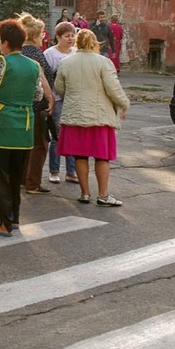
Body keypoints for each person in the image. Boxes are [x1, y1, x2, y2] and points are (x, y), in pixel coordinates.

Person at [0, 19, 43, 238]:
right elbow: (38, 95)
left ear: (4, 42)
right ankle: (14, 219)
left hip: (3, 124)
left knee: (0, 175)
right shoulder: (33, 65)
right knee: (15, 176)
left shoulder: (1, 62)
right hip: (25, 125)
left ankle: (3, 223)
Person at [55, 29, 130, 207]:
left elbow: (59, 87)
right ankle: (103, 195)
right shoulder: (103, 62)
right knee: (101, 156)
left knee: (80, 155)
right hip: (99, 116)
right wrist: (124, 104)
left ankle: (85, 193)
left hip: (75, 115)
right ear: (95, 43)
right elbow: (113, 88)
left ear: (76, 43)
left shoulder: (66, 62)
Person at [19, 13, 56, 195]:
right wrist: (50, 97)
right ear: (34, 36)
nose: (44, 37)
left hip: (22, 104)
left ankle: (23, 179)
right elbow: (40, 78)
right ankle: (32, 182)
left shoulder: (19, 51)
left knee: (27, 144)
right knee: (40, 144)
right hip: (37, 104)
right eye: (42, 34)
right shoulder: (35, 53)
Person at [44, 21, 78, 185]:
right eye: (67, 36)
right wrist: (49, 98)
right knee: (58, 135)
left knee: (72, 135)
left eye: (72, 35)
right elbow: (46, 78)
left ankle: (71, 172)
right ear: (58, 37)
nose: (70, 39)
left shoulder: (76, 52)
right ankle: (54, 171)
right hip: (56, 99)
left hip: (74, 99)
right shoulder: (50, 54)